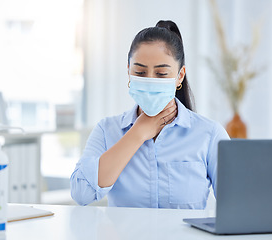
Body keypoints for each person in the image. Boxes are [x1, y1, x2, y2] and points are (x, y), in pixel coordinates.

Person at [70, 20, 230, 209]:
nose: (150, 80)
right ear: (129, 72)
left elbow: (238, 204)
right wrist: (138, 133)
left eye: (161, 73)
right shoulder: (107, 130)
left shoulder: (209, 134)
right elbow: (81, 194)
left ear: (180, 76)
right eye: (140, 71)